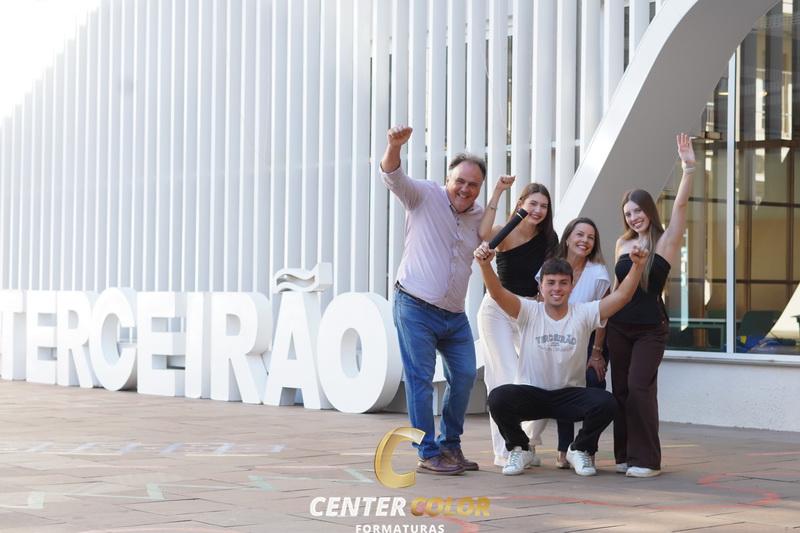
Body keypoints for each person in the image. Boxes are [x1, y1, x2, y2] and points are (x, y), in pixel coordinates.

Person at [474, 245, 649, 476]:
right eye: (551, 283)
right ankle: (521, 447)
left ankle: (579, 449)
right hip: (532, 394)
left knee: (606, 402)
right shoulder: (528, 311)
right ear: (541, 286)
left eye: (563, 283)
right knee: (498, 398)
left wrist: (638, 266)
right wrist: (485, 265)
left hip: (569, 396)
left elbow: (622, 296)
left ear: (572, 286)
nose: (557, 288)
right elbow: (497, 293)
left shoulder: (583, 313)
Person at [380, 125, 486, 475]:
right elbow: (393, 176)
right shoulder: (424, 195)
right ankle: (427, 452)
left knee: (465, 375)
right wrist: (394, 146)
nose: (465, 189)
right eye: (460, 181)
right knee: (421, 379)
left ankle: (450, 445)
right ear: (447, 180)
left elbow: (499, 241)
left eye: (473, 185)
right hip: (415, 305)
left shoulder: (478, 217)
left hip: (454, 314)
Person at [607, 133, 696, 478]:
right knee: (620, 390)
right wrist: (600, 332)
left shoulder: (666, 239)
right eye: (628, 213)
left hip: (650, 329)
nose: (634, 217)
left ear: (649, 210)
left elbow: (681, 207)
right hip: (618, 326)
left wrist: (688, 169)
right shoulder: (622, 243)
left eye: (638, 210)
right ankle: (625, 456)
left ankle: (647, 460)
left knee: (639, 386)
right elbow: (616, 289)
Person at [476, 177, 558, 467]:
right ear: (521, 204)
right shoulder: (506, 231)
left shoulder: (549, 238)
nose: (538, 210)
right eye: (533, 203)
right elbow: (483, 234)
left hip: (528, 312)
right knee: (505, 379)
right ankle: (507, 450)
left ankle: (528, 442)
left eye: (544, 206)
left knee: (543, 381)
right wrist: (498, 191)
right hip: (497, 310)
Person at [530, 217, 611, 469]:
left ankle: (586, 447)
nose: (585, 241)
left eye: (591, 237)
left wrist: (596, 353)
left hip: (591, 342)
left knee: (595, 387)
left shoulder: (598, 273)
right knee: (563, 389)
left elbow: (603, 317)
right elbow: (540, 304)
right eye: (580, 235)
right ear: (567, 238)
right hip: (558, 337)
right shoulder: (551, 267)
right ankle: (563, 449)